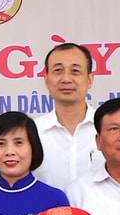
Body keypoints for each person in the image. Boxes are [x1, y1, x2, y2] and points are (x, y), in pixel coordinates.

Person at [31, 42, 100, 196]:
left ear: (89, 80)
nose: (66, 79)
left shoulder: (107, 129)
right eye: (58, 71)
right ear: (47, 80)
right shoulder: (31, 132)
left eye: (75, 71)